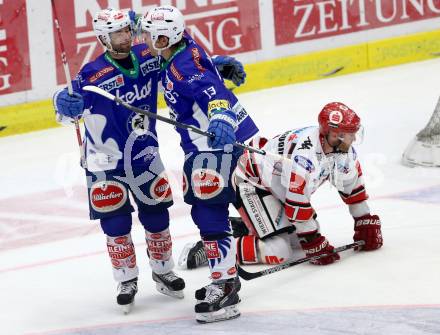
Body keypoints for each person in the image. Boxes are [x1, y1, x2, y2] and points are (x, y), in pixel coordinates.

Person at [52, 7, 245, 314]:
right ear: (104, 38)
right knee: (115, 222)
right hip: (104, 160)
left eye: (128, 30)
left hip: (145, 153)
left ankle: (163, 270)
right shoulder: (92, 73)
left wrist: (215, 63)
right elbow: (66, 111)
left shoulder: (148, 55)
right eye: (117, 34)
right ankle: (126, 279)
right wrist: (63, 102)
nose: (126, 37)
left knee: (157, 216)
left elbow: (182, 62)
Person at [140, 5, 259, 323]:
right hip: (209, 143)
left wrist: (221, 116)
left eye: (150, 36)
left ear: (165, 39)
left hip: (213, 143)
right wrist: (215, 65)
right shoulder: (180, 50)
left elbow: (211, 92)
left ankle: (225, 287)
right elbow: (200, 68)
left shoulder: (181, 67)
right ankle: (227, 274)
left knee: (207, 209)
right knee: (210, 207)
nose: (144, 40)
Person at [180, 102, 383, 270]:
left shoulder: (342, 150)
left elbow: (352, 186)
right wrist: (312, 240)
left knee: (297, 242)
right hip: (251, 182)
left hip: (277, 188)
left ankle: (244, 226)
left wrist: (364, 219)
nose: (353, 138)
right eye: (348, 134)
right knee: (278, 252)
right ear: (333, 134)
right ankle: (211, 249)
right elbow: (297, 204)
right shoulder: (305, 156)